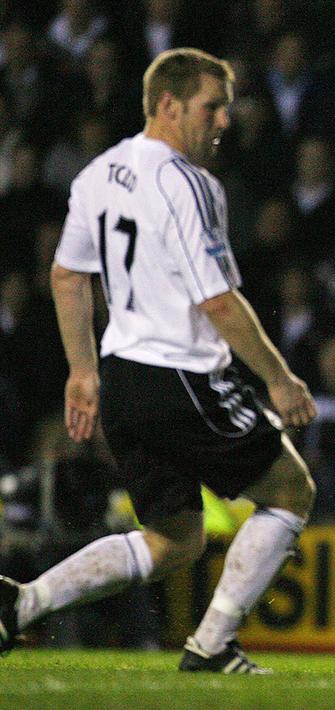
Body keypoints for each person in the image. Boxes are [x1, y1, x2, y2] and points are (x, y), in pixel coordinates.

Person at [0, 48, 318, 673]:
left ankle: (24, 602)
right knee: (290, 490)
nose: (224, 121)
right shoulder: (188, 183)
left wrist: (83, 371)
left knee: (176, 540)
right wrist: (279, 380)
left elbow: (67, 276)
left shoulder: (97, 174)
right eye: (212, 107)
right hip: (183, 375)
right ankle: (213, 644)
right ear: (168, 105)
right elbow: (218, 302)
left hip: (124, 381)